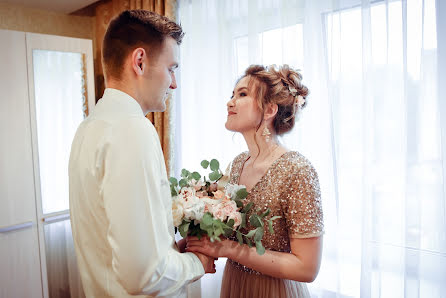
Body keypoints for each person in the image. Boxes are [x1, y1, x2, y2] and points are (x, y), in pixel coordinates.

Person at [69, 10, 214, 298]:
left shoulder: (87, 129)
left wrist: (169, 251)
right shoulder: (132, 130)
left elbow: (114, 244)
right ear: (139, 61)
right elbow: (142, 275)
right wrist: (196, 263)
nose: (174, 83)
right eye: (171, 68)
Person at [185, 64, 324, 298]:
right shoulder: (237, 164)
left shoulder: (297, 170)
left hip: (273, 290)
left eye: (242, 95)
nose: (230, 102)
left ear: (269, 109)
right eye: (232, 95)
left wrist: (230, 249)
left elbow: (307, 268)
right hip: (235, 285)